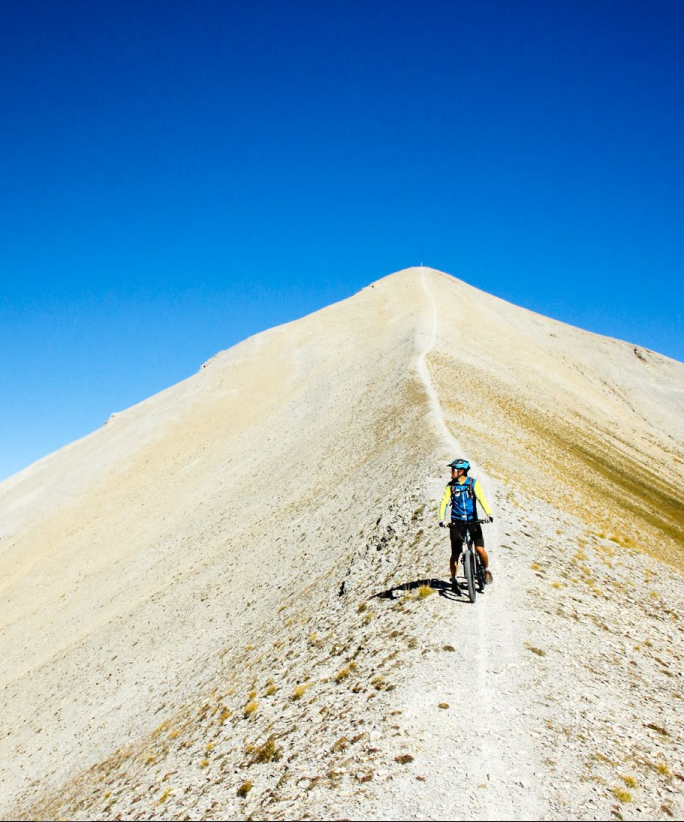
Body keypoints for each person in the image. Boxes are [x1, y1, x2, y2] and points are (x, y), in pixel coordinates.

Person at [439, 458, 494, 590]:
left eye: (453, 470)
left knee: (480, 550)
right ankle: (453, 580)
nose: (451, 472)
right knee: (455, 553)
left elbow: (481, 498)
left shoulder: (473, 484)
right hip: (457, 522)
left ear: (462, 471)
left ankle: (486, 570)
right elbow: (444, 503)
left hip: (472, 521)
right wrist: (442, 519)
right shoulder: (450, 486)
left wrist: (489, 514)